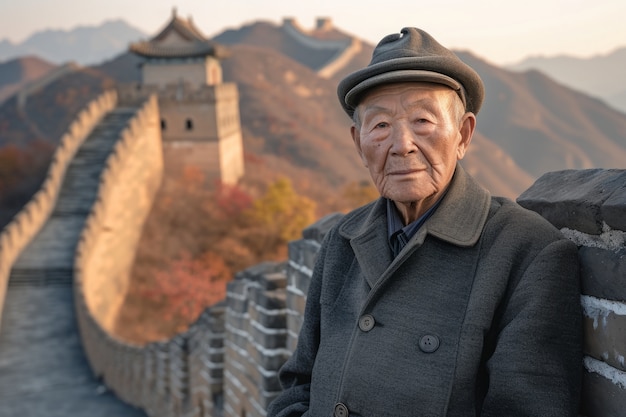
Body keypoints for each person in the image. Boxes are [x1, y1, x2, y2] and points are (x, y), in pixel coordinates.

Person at [266, 27, 582, 417]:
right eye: (380, 125)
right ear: (358, 143)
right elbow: (299, 387)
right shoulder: (342, 241)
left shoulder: (526, 251)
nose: (401, 144)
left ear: (463, 135)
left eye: (422, 121)